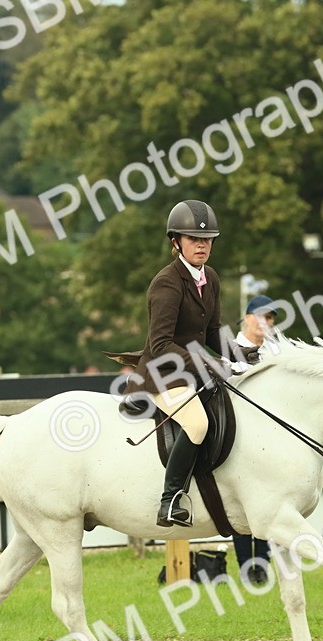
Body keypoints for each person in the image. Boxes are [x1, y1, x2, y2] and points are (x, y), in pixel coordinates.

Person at [126, 200, 224, 527]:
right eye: (194, 239)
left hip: (192, 373)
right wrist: (204, 365)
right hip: (162, 375)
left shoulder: (210, 277)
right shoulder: (166, 282)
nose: (201, 244)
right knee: (197, 424)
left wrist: (241, 352)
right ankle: (169, 501)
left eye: (207, 239)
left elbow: (212, 333)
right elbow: (161, 344)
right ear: (176, 242)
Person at [230, 294, 277, 583]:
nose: (264, 322)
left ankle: (263, 563)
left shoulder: (277, 352)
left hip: (272, 439)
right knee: (241, 503)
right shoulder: (231, 351)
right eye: (260, 316)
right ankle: (246, 566)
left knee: (268, 501)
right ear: (247, 317)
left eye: (270, 317)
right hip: (241, 437)